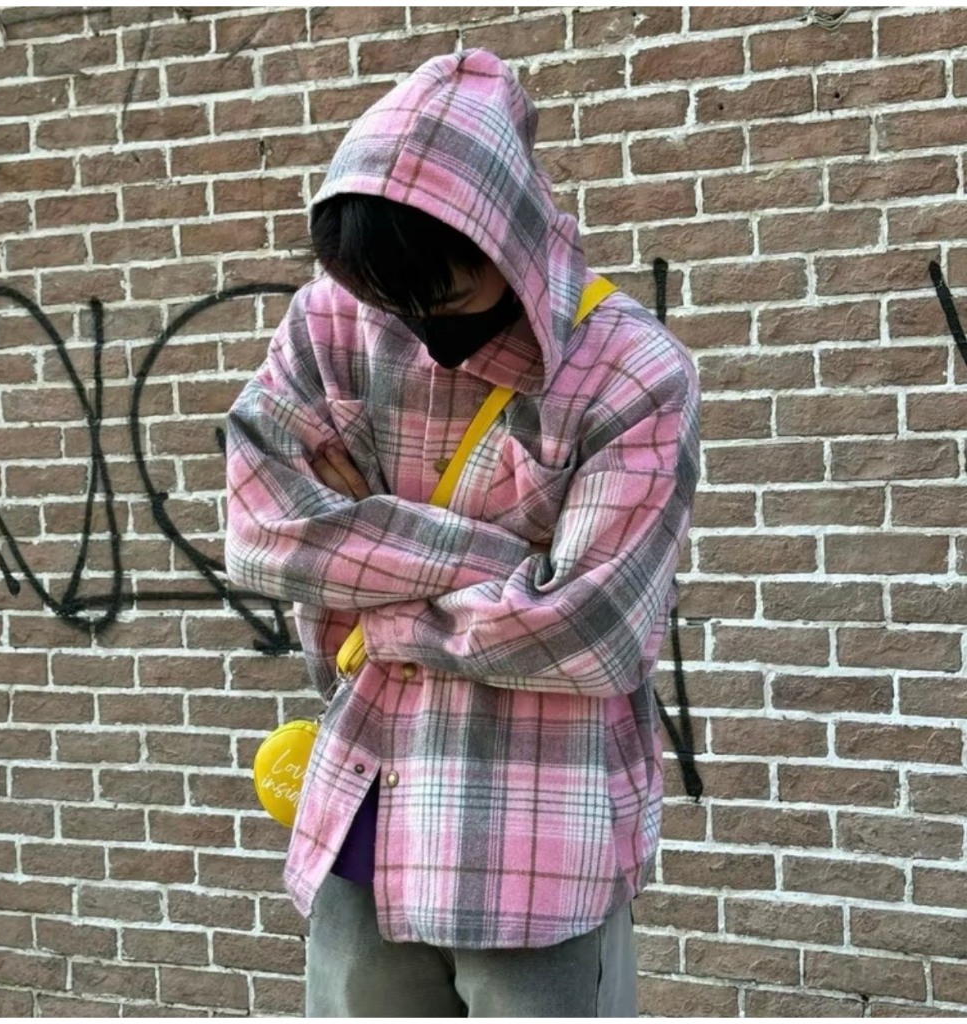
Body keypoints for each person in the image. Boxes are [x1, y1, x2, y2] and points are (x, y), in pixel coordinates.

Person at [225, 47, 700, 1018]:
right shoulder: (334, 321)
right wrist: (516, 565)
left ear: (507, 242)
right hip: (365, 809)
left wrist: (374, 588)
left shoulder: (632, 371)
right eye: (388, 301)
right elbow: (260, 524)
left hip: (539, 835)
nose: (412, 325)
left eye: (439, 298)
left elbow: (593, 630)